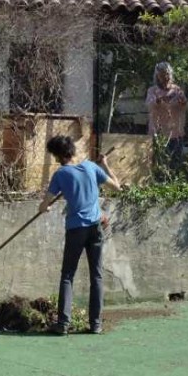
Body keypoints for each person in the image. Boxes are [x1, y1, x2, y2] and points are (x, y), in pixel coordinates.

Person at [39, 137, 122, 335]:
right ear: (72, 151)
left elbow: (44, 205)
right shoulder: (91, 168)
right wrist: (106, 165)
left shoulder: (60, 174)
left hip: (76, 230)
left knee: (67, 275)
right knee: (97, 275)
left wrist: (45, 207)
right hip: (95, 228)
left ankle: (63, 324)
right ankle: (96, 325)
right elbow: (117, 187)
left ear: (58, 155)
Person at [144, 62, 187, 170]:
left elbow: (185, 107)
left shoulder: (177, 90)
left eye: (167, 74)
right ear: (157, 76)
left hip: (175, 133)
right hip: (158, 134)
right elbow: (149, 105)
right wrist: (158, 101)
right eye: (162, 74)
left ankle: (175, 185)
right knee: (159, 163)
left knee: (175, 164)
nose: (165, 77)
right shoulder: (152, 91)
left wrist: (183, 103)